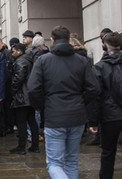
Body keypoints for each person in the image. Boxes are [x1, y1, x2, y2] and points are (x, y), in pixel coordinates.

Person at [27, 25, 100, 179]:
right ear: (68, 40)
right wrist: (81, 101)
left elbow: (33, 89)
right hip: (77, 116)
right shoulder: (81, 61)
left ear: (52, 40)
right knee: (71, 160)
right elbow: (94, 88)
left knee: (54, 163)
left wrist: (43, 107)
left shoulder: (43, 60)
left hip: (54, 116)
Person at [87, 32, 122, 179]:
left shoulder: (99, 67)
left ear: (104, 46)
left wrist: (93, 121)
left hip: (110, 116)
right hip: (112, 113)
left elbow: (94, 96)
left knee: (108, 153)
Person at [9, 43, 39, 155]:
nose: (12, 53)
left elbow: (18, 77)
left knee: (21, 122)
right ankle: (35, 145)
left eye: (13, 51)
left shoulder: (20, 61)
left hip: (22, 96)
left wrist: (13, 91)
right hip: (30, 95)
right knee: (31, 121)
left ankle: (21, 147)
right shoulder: (29, 60)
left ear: (19, 51)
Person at [0, 37, 14, 136]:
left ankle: (8, 126)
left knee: (7, 108)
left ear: (2, 44)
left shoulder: (6, 53)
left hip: (7, 85)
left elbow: (9, 70)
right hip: (2, 85)